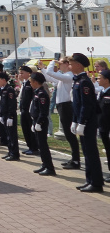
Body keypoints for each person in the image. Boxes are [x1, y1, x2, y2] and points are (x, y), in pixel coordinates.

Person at [69, 52, 104, 192]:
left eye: (71, 64)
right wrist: (74, 121)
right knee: (86, 152)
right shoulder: (77, 80)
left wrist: (82, 122)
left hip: (88, 122)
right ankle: (89, 179)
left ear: (78, 65)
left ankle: (96, 182)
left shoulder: (84, 82)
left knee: (91, 153)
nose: (69, 66)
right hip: (82, 121)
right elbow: (76, 105)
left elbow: (87, 105)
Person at [41, 57, 80, 170]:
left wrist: (52, 61)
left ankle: (76, 160)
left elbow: (50, 72)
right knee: (69, 134)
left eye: (61, 62)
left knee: (69, 134)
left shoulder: (68, 76)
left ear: (67, 64)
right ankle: (74, 158)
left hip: (66, 106)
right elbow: (49, 77)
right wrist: (43, 68)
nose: (59, 64)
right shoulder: (64, 77)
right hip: (62, 106)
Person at [29, 72, 55, 176]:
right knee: (40, 145)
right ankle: (45, 164)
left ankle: (49, 167)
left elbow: (43, 112)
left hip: (41, 123)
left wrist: (39, 123)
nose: (30, 83)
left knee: (43, 146)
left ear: (35, 82)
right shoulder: (37, 92)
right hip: (36, 121)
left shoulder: (42, 94)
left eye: (31, 81)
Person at [0, 71, 19, 161]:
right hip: (4, 115)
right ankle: (10, 152)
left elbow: (12, 105)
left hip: (10, 116)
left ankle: (14, 154)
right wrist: (1, 115)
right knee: (8, 135)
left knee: (12, 136)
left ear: (3, 80)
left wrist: (10, 117)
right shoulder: (2, 89)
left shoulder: (9, 90)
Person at [18, 65, 39, 156]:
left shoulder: (30, 84)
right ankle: (30, 147)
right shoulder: (25, 83)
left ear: (29, 74)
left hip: (28, 110)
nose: (20, 74)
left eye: (22, 73)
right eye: (20, 73)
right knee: (25, 129)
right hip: (23, 109)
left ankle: (34, 148)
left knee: (30, 129)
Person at [97, 69, 110, 183]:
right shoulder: (102, 92)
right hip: (103, 126)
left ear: (106, 80)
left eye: (100, 77)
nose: (97, 79)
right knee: (108, 149)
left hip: (108, 127)